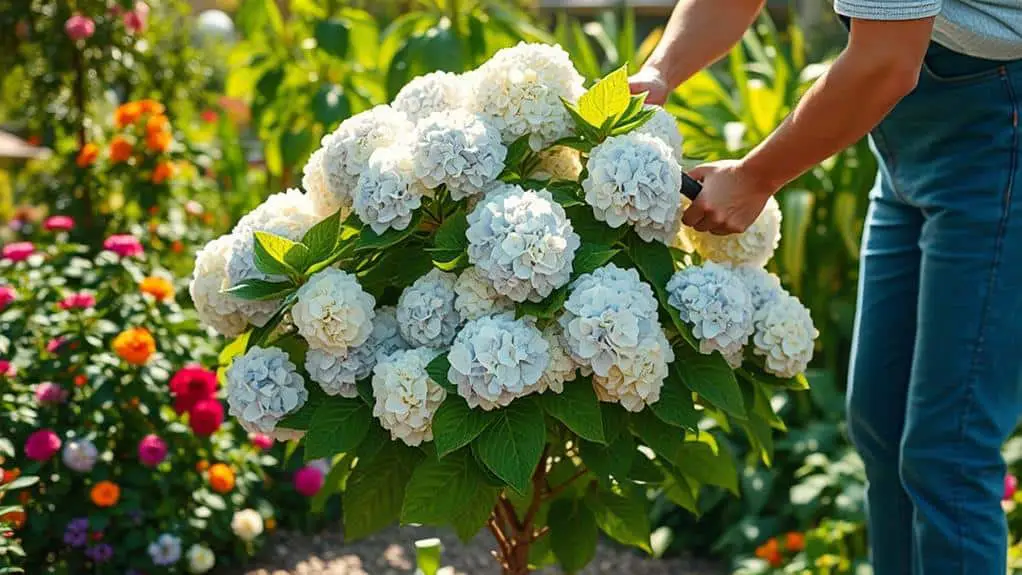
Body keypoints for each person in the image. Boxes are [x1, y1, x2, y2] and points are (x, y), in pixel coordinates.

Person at [630, 1, 1022, 573]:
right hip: (913, 132)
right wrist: (661, 71)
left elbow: (885, 64)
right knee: (881, 426)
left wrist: (756, 177)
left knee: (950, 451)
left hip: (998, 125)